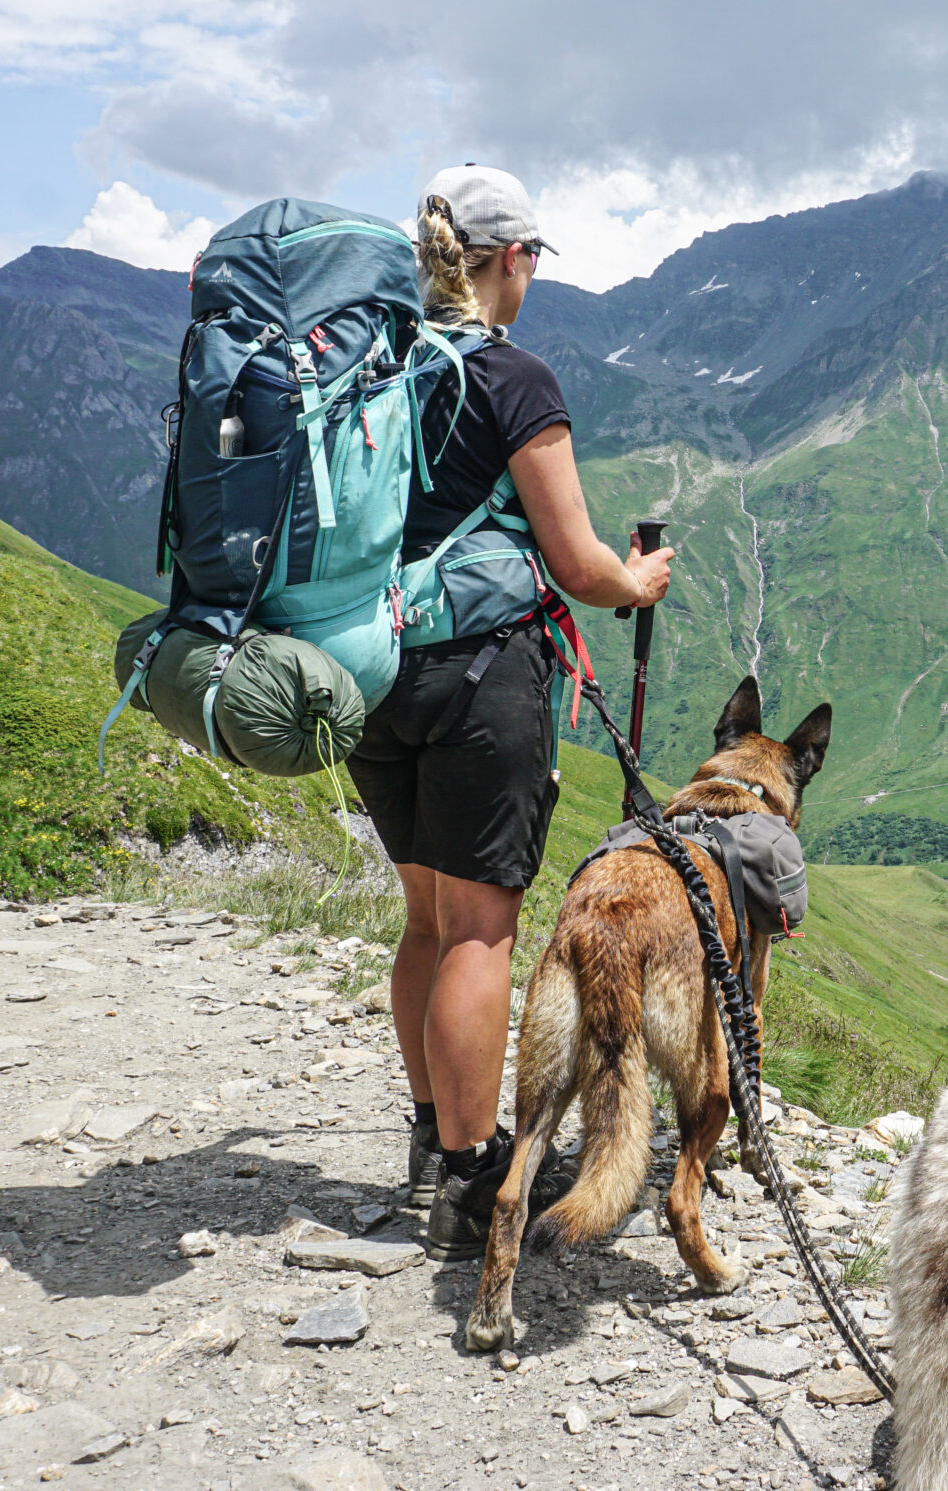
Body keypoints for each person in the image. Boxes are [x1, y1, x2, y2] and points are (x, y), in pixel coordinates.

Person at [349, 164, 674, 1258]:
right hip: (478, 674)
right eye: (533, 259)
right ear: (513, 258)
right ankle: (473, 1169)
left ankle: (429, 1145)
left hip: (370, 670)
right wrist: (640, 582)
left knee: (426, 923)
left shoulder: (375, 369)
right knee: (481, 932)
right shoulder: (513, 377)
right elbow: (579, 564)